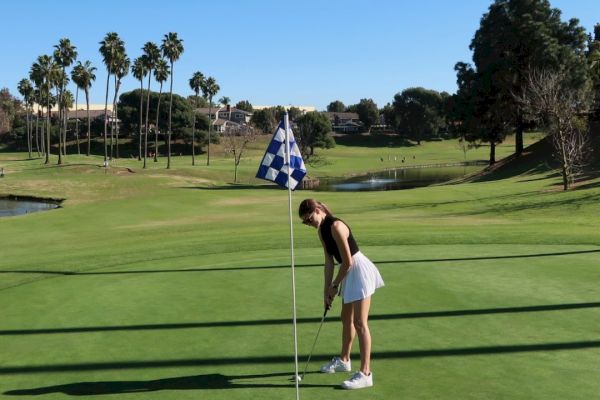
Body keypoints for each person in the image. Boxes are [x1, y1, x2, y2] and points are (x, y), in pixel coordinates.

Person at [298, 199, 384, 390]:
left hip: (359, 270)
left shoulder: (336, 225)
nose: (309, 223)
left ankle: (366, 374)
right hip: (347, 273)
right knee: (346, 318)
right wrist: (326, 291)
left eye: (310, 219)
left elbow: (347, 262)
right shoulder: (321, 232)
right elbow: (329, 262)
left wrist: (335, 285)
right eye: (305, 222)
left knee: (360, 323)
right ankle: (345, 360)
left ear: (318, 210)